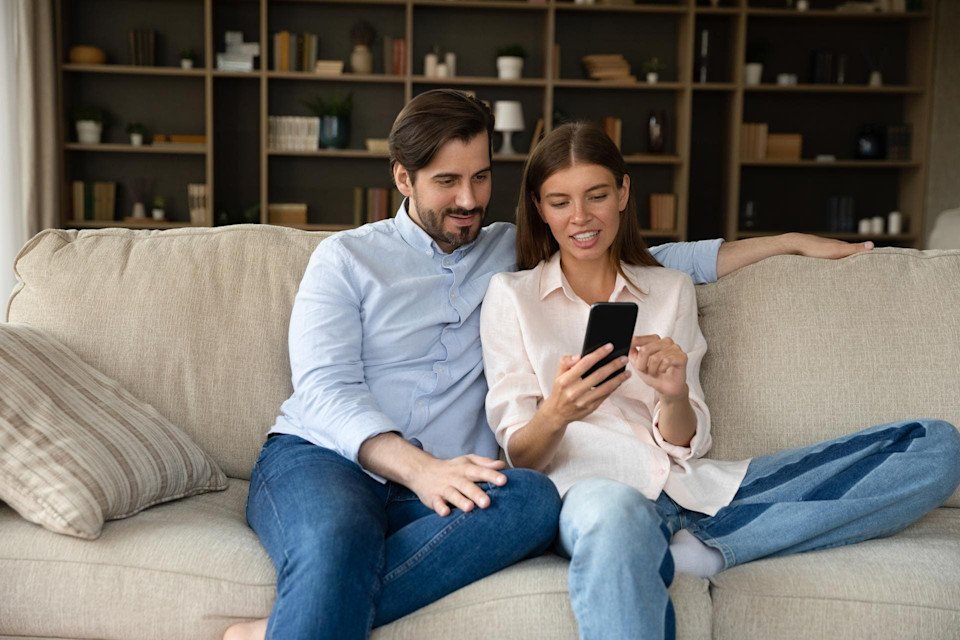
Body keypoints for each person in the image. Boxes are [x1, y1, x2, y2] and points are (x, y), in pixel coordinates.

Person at [225, 90, 876, 640]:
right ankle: (303, 619)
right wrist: (419, 469)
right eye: (447, 182)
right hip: (325, 459)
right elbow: (323, 390)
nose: (469, 199)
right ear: (402, 178)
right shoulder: (346, 260)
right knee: (339, 540)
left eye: (480, 177)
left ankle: (293, 624)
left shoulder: (506, 250)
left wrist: (785, 242)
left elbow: (645, 258)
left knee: (534, 500)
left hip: (454, 476)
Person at [480, 121, 960, 640]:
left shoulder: (669, 289)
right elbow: (521, 455)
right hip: (595, 495)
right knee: (617, 517)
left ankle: (699, 548)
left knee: (934, 445)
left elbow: (690, 442)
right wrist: (559, 411)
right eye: (559, 202)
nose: (580, 218)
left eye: (597, 195)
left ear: (623, 192)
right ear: (536, 205)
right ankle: (701, 543)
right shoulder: (511, 296)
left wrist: (673, 393)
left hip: (696, 489)